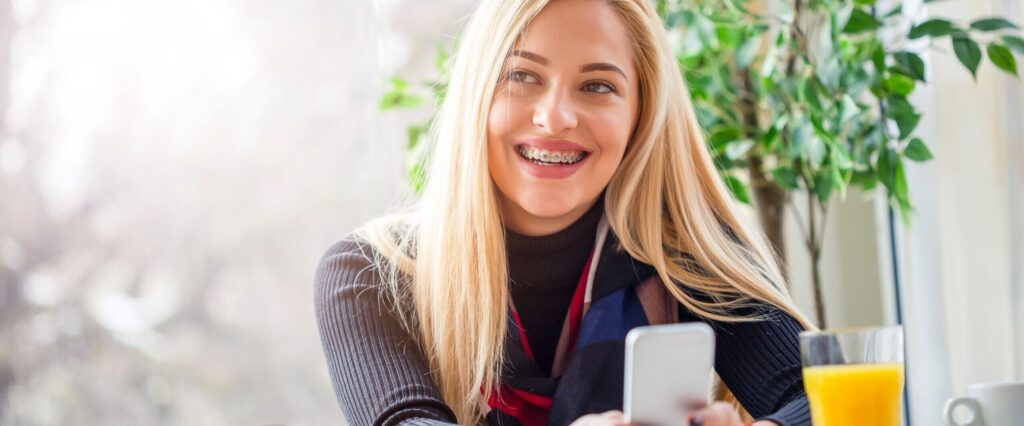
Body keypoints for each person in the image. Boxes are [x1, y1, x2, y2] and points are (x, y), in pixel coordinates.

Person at [314, 0, 816, 425]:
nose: (554, 118)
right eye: (522, 76)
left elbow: (825, 396)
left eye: (597, 86)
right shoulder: (369, 275)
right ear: (476, 96)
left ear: (639, 115)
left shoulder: (684, 257)